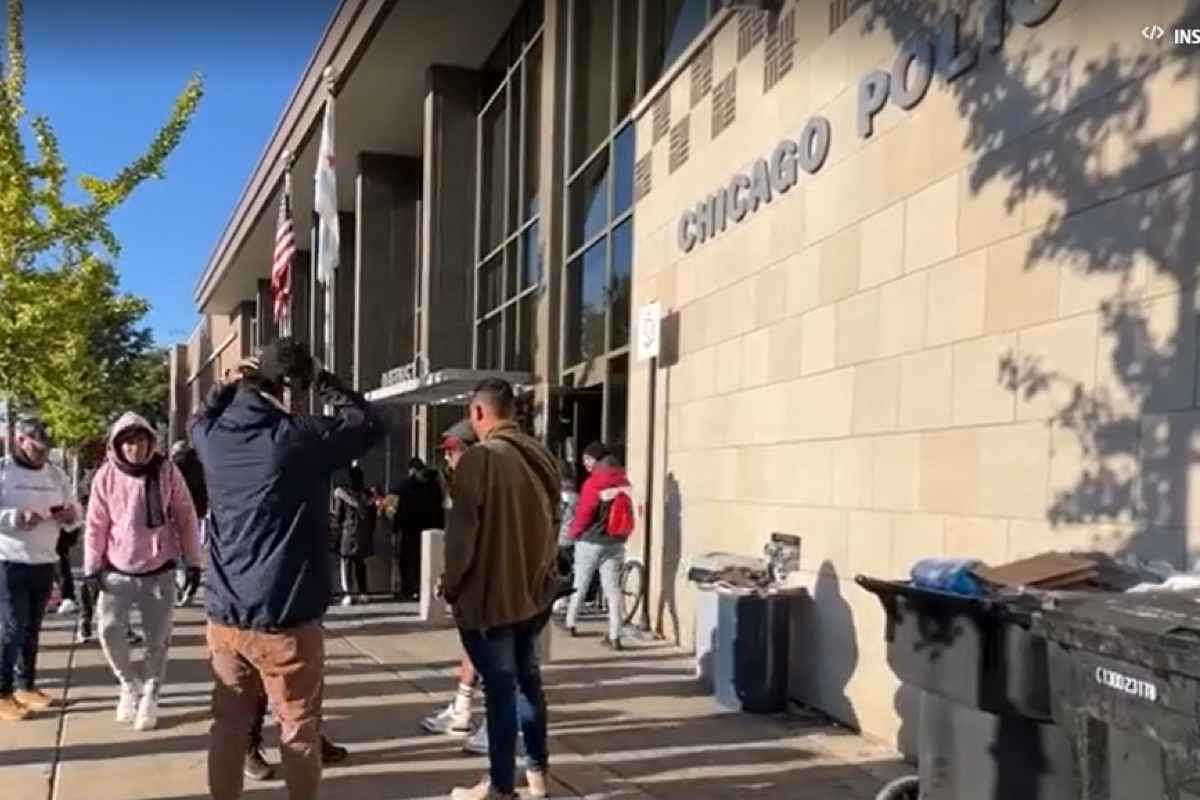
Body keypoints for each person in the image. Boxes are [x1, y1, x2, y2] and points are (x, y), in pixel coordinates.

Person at [191, 338, 384, 800]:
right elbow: (369, 422)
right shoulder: (298, 437)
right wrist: (323, 379)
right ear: (292, 387)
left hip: (225, 616)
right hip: (286, 617)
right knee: (297, 729)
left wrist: (223, 387)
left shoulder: (212, 438)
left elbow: (196, 419)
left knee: (228, 729)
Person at [443, 379, 560, 800]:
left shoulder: (480, 459)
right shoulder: (541, 454)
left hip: (493, 598)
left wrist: (451, 585)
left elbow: (461, 539)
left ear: (478, 413)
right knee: (528, 683)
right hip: (533, 594)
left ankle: (499, 785)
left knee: (500, 692)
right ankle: (538, 774)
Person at [84, 413, 203, 731]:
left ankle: (151, 693)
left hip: (158, 570)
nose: (135, 447)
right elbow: (96, 525)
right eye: (128, 441)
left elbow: (186, 516)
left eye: (141, 440)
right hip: (116, 571)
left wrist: (193, 561)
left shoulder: (167, 472)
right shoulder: (106, 477)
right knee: (109, 633)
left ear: (151, 442)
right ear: (117, 445)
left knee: (157, 640)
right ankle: (128, 684)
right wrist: (91, 567)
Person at [0, 417, 81, 722]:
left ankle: (26, 686)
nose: (42, 450)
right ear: (20, 440)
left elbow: (74, 512)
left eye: (46, 444)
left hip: (45, 561)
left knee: (33, 628)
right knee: (11, 628)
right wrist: (15, 517)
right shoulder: (4, 471)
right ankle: (2, 691)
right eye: (36, 444)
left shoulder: (56, 474)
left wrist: (71, 517)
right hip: (8, 560)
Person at [420, 422, 479, 739]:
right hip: (478, 579)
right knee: (476, 647)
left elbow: (469, 538)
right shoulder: (463, 484)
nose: (448, 459)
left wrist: (452, 576)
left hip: (486, 580)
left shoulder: (477, 485)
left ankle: (492, 724)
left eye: (454, 451)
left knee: (497, 654)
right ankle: (462, 709)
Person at [564, 444, 634, 651]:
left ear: (596, 460)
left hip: (590, 540)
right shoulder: (624, 481)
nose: (585, 463)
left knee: (581, 582)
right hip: (615, 541)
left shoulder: (594, 483)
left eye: (587, 459)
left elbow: (585, 513)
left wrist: (574, 533)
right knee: (613, 589)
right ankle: (615, 635)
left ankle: (571, 622)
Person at [390, 457, 442, 601]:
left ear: (412, 470)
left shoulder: (407, 485)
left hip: (409, 529)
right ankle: (422, 589)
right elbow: (439, 509)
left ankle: (409, 589)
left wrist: (395, 529)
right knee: (424, 561)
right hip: (430, 529)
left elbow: (397, 507)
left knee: (407, 560)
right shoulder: (434, 485)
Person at [170, 440, 209, 607]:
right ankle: (190, 584)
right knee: (193, 550)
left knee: (176, 550)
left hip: (176, 513)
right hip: (198, 512)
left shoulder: (173, 467)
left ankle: (180, 583)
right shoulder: (201, 466)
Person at [334, 464, 375, 606]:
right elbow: (373, 516)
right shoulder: (367, 495)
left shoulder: (343, 494)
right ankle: (363, 593)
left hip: (348, 532)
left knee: (346, 563)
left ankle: (347, 594)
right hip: (363, 534)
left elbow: (339, 516)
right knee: (360, 563)